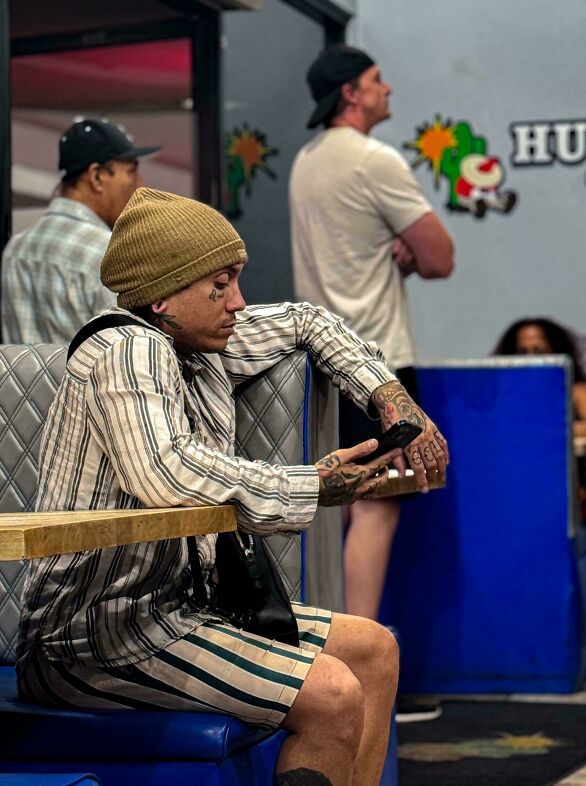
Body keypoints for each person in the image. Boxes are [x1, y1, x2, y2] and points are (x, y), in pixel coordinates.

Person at [17, 188, 449, 786]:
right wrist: (315, 485)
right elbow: (167, 472)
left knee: (375, 652)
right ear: (163, 295)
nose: (237, 303)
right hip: (94, 637)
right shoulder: (127, 348)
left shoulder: (192, 341)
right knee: (333, 696)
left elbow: (308, 321)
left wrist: (389, 397)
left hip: (176, 611)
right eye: (219, 286)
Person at [289, 44, 454, 638]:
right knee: (377, 513)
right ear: (351, 93)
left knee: (342, 514)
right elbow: (441, 258)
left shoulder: (306, 162)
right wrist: (409, 258)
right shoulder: (373, 160)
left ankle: (336, 669)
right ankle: (365, 673)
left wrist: (393, 261)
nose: (389, 89)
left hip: (321, 365)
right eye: (377, 80)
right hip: (376, 365)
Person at [1, 118, 159, 344]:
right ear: (96, 176)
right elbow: (134, 351)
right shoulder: (110, 252)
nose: (140, 185)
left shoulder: (15, 249)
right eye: (131, 172)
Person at [492, 317, 586, 441]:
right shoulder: (504, 390)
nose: (530, 359)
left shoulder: (573, 389)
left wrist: (548, 431)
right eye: (522, 352)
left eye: (539, 352)